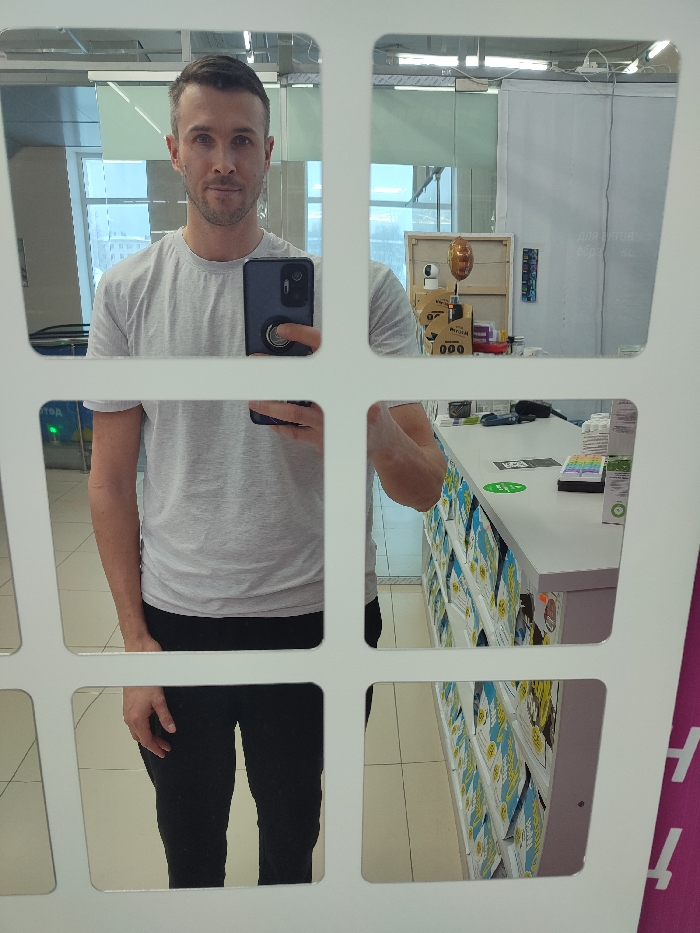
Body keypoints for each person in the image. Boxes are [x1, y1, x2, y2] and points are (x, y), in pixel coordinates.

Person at [83, 54, 445, 890]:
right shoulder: (127, 292)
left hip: (318, 618)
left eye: (242, 140)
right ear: (174, 149)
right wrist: (135, 643)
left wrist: (365, 424)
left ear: (269, 152)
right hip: (180, 620)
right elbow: (107, 480)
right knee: (190, 851)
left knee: (291, 845)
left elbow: (424, 485)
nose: (224, 161)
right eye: (203, 138)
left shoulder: (361, 294)